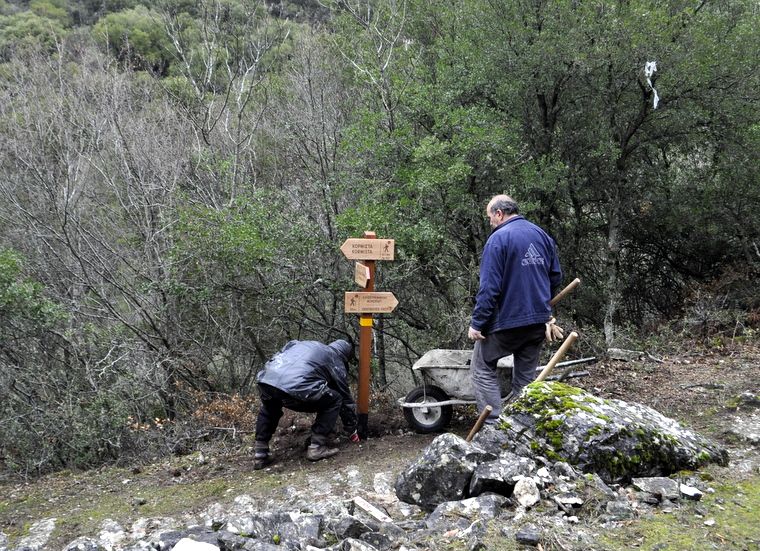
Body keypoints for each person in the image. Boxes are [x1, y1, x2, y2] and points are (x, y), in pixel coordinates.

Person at [468, 195, 562, 424]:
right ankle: (523, 427)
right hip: (537, 322)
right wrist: (539, 303)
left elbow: (489, 288)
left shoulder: (498, 239)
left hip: (506, 323)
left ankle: (493, 427)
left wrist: (477, 323)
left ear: (499, 214)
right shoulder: (541, 235)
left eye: (490, 217)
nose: (490, 221)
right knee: (525, 380)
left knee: (481, 368)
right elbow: (556, 276)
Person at [253, 339, 360, 469]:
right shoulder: (334, 358)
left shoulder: (300, 344)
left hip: (267, 380)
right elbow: (345, 398)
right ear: (344, 355)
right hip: (296, 386)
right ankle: (317, 447)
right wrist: (352, 428)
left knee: (270, 408)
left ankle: (260, 453)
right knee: (335, 399)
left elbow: (282, 353)